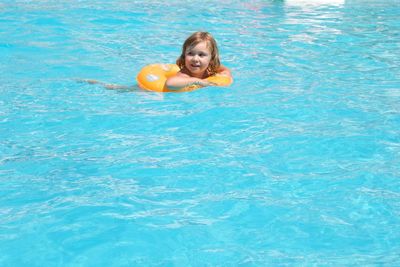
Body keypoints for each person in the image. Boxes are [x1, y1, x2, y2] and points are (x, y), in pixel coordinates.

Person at [166, 31, 232, 90]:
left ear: (211, 59)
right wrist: (196, 81)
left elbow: (225, 70)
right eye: (190, 54)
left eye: (201, 55)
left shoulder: (211, 67)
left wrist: (226, 77)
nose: (195, 59)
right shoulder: (185, 74)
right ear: (184, 56)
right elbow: (170, 84)